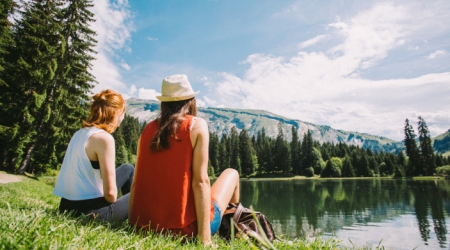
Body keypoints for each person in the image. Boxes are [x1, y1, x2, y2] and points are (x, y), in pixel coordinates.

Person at [129, 74, 240, 246]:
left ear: (164, 103)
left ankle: (229, 231)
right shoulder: (196, 125)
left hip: (146, 228)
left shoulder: (146, 131)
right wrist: (205, 240)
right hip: (185, 230)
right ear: (190, 101)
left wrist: (133, 225)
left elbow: (136, 183)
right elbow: (201, 182)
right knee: (232, 173)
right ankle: (231, 231)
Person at [53, 89, 134, 223]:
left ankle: (130, 218)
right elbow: (111, 196)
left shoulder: (80, 133)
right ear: (117, 113)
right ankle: (138, 223)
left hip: (66, 207)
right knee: (140, 194)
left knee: (128, 168)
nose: (123, 118)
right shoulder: (104, 138)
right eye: (123, 113)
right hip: (90, 214)